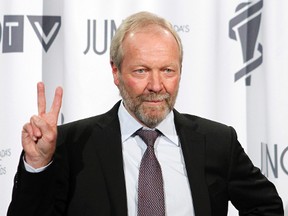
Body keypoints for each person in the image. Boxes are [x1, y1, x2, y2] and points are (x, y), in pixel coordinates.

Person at [7, 11, 283, 216]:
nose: (155, 85)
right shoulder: (72, 143)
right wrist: (38, 164)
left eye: (167, 70)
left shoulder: (217, 141)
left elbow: (267, 207)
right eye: (141, 71)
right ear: (116, 72)